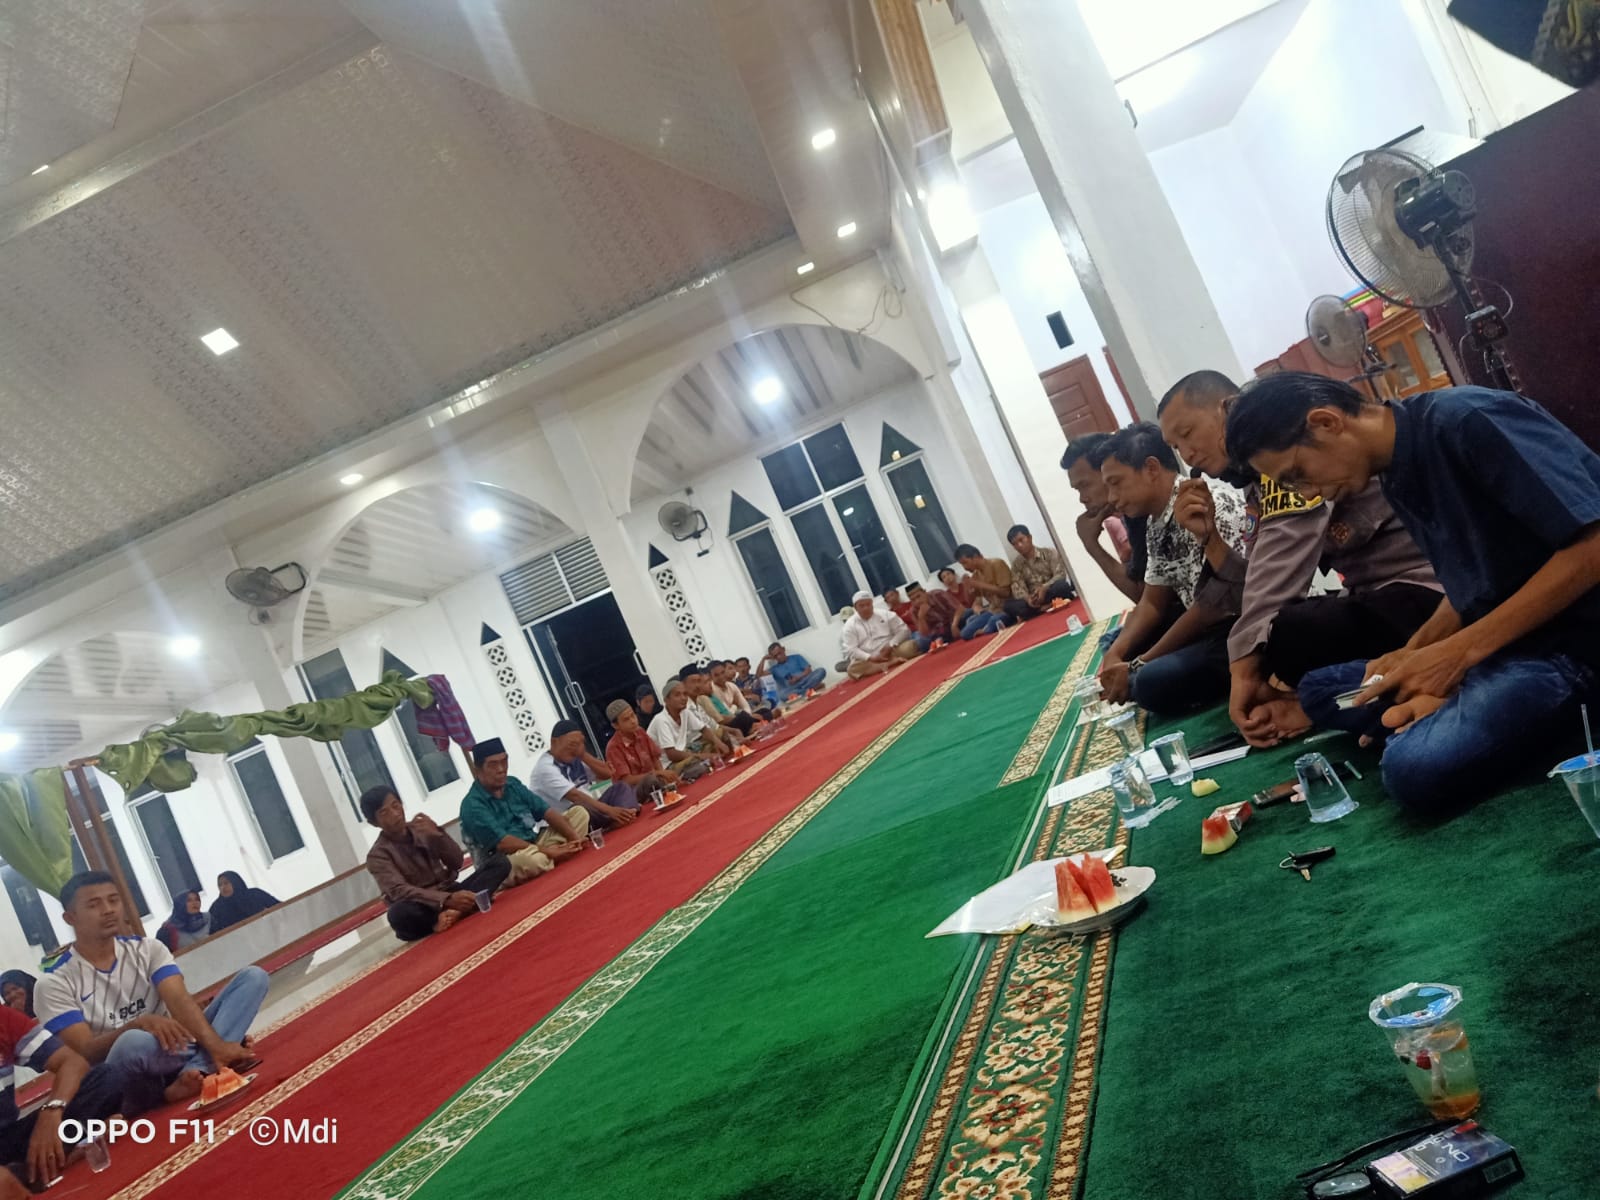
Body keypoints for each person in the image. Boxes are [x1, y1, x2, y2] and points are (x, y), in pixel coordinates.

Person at [1227, 374, 1600, 812]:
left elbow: (1592, 547)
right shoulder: (1395, 470)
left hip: (1575, 648)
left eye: (1298, 475)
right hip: (1504, 646)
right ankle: (1454, 708)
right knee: (1318, 687)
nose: (1308, 493)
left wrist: (1456, 656)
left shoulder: (1468, 419)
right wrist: (1413, 653)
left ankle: (1490, 714)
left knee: (1412, 768)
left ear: (1326, 423)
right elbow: (1473, 584)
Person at [1159, 369, 1441, 746]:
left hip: (1427, 590)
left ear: (1226, 407)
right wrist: (1209, 539)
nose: (1187, 453)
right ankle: (1353, 695)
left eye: (1188, 433)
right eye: (1176, 446)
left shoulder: (1288, 451)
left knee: (1289, 635)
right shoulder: (1258, 481)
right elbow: (1254, 588)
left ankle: (1379, 694)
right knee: (1282, 649)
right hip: (1388, 598)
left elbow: (1276, 577)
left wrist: (1244, 670)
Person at [36, 872, 268, 1110]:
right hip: (124, 1065)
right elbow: (85, 1052)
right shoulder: (54, 981)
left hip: (173, 1047)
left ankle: (197, 1068)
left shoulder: (148, 949)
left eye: (114, 900)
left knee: (253, 977)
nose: (108, 910)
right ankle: (196, 1068)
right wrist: (139, 1024)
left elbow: (179, 1001)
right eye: (94, 905)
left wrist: (216, 1044)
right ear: (70, 918)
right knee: (132, 1041)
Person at [1097, 422, 1251, 714]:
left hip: (1238, 626)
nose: (1111, 498)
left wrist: (1138, 664)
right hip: (1204, 630)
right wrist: (1116, 656)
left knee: (1150, 682)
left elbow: (1215, 607)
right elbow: (1152, 602)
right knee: (1114, 643)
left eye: (1116, 483)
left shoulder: (1205, 503)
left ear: (1151, 468)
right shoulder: (1155, 522)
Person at [0, 1002, 126, 1196]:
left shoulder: (4, 1018)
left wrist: (51, 1112)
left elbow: (72, 1062)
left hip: (7, 1139)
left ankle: (35, 1167)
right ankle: (61, 1153)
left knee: (107, 1077)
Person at [360, 787, 511, 941]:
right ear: (374, 822)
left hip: (451, 890)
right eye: (384, 813)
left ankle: (457, 912)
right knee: (398, 914)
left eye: (395, 805)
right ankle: (442, 918)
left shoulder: (422, 827)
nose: (395, 814)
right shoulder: (377, 855)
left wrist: (438, 835)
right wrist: (446, 899)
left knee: (500, 863)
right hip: (423, 905)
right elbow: (400, 891)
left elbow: (457, 862)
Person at [458, 738, 589, 887]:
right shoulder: (472, 805)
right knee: (533, 860)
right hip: (503, 862)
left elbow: (547, 812)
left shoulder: (512, 784)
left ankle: (558, 853)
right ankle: (555, 855)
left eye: (504, 761)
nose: (501, 769)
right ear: (478, 771)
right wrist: (548, 851)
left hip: (534, 844)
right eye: (493, 765)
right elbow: (504, 843)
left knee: (579, 813)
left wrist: (574, 839)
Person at [1061, 433, 1141, 604]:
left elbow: (1141, 596)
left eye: (1084, 485)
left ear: (1107, 472)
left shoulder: (1142, 515)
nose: (1082, 498)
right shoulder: (1128, 518)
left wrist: (1092, 545)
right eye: (1077, 490)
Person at [529, 720, 644, 828]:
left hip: (592, 809)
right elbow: (575, 796)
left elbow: (607, 773)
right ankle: (619, 816)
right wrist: (610, 810)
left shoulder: (573, 757)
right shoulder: (545, 768)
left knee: (621, 787)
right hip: (568, 817)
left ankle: (621, 816)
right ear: (554, 742)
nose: (575, 749)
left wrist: (583, 754)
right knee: (581, 808)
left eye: (579, 743)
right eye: (572, 744)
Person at [647, 680, 727, 775]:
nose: (683, 698)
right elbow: (672, 755)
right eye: (677, 695)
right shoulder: (661, 720)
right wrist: (701, 756)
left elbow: (704, 729)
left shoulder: (685, 712)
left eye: (685, 694)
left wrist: (719, 743)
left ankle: (712, 759)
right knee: (698, 765)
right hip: (669, 764)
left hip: (686, 751)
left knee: (720, 734)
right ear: (666, 700)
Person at [603, 700, 683, 790]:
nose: (633, 721)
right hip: (634, 791)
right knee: (653, 781)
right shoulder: (613, 748)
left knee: (683, 771)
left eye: (633, 715)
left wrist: (663, 776)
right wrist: (658, 774)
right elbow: (626, 780)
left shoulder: (640, 732)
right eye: (626, 719)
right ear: (615, 725)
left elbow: (655, 759)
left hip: (655, 781)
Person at [1005, 525, 1077, 620]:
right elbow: (1018, 588)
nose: (1019, 545)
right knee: (1008, 605)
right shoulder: (1016, 565)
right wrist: (1028, 599)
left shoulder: (1049, 553)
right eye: (1015, 544)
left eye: (1021, 540)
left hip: (1050, 592)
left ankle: (1039, 610)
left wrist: (1044, 588)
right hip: (1034, 600)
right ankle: (1043, 608)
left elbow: (1060, 574)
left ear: (1030, 538)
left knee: (1062, 586)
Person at [842, 590, 920, 678]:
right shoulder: (850, 625)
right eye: (862, 606)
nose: (866, 608)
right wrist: (870, 657)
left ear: (872, 604)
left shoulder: (885, 614)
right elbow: (851, 649)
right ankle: (890, 663)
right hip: (869, 659)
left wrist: (890, 645)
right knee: (852, 669)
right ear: (855, 608)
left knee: (911, 646)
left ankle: (879, 666)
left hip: (891, 651)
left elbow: (904, 630)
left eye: (868, 604)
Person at [953, 545, 1015, 638]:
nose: (965, 568)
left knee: (995, 620)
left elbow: (1006, 592)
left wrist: (979, 584)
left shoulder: (997, 564)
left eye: (965, 563)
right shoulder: (976, 575)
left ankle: (987, 629)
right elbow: (977, 602)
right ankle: (988, 628)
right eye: (962, 565)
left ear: (975, 557)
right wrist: (978, 609)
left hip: (1007, 608)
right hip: (992, 611)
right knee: (965, 633)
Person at [686, 665, 758, 739]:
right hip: (721, 727)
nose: (697, 685)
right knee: (743, 718)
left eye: (709, 680)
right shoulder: (702, 699)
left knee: (748, 714)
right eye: (705, 682)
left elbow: (717, 720)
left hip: (723, 724)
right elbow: (719, 720)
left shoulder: (712, 695)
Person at [207, 871, 279, 936]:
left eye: (226, 883)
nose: (223, 887)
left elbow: (279, 907)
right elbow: (210, 933)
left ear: (235, 882)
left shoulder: (255, 894)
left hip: (267, 934)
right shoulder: (216, 908)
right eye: (220, 885)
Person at [759, 643, 826, 701]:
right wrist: (763, 659)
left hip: (806, 681)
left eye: (779, 653)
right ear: (772, 657)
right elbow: (759, 675)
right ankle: (811, 689)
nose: (779, 657)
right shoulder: (774, 669)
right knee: (781, 695)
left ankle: (804, 692)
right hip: (792, 688)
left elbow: (808, 670)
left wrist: (798, 677)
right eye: (775, 656)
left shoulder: (796, 657)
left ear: (783, 649)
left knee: (821, 671)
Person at [905, 581, 960, 650]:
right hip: (938, 633)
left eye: (918, 596)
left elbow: (960, 608)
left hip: (954, 622)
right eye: (913, 600)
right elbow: (924, 633)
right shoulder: (914, 611)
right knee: (922, 642)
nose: (917, 601)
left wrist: (954, 624)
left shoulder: (938, 594)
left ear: (925, 592)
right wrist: (921, 618)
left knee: (967, 614)